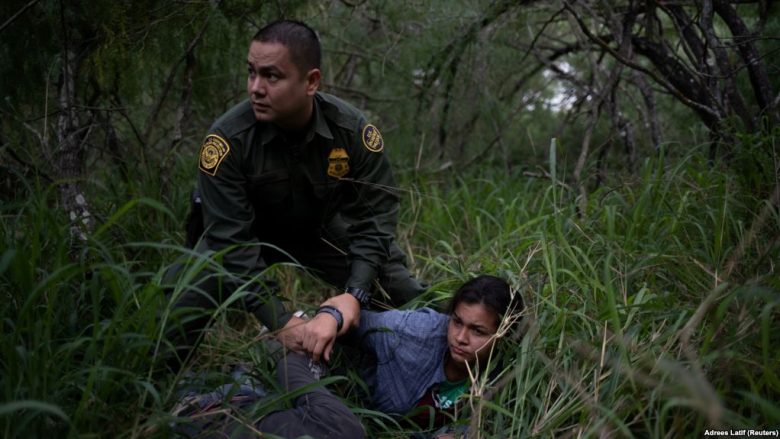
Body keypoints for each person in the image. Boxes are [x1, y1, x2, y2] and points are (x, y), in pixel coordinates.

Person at [166, 19, 426, 369]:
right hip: (246, 236)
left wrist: (354, 294)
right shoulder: (228, 141)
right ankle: (155, 398)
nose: (256, 88)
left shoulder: (350, 131)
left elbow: (375, 218)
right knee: (174, 315)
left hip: (319, 229)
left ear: (311, 81)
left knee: (399, 288)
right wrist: (280, 320)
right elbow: (231, 241)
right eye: (251, 72)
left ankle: (388, 362)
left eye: (271, 76)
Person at [354, 274, 522, 435]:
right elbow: (352, 320)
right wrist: (336, 315)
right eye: (456, 322)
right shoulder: (413, 332)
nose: (460, 338)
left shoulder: (510, 377)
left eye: (477, 331)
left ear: (504, 337)